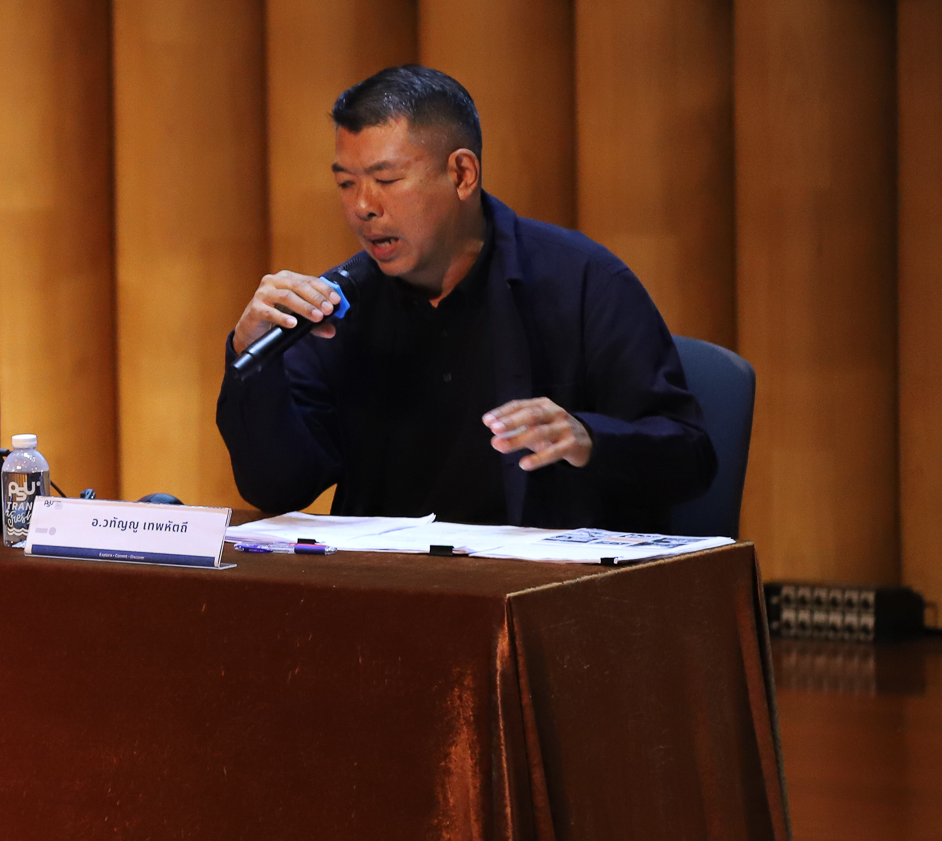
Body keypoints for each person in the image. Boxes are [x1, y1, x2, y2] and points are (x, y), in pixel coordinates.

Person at [216, 64, 712, 531]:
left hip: (542, 582)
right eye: (346, 183)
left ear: (461, 174)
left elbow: (689, 456)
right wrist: (254, 363)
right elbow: (279, 488)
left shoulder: (584, 281)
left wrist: (588, 438)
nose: (362, 206)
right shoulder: (339, 307)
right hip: (384, 582)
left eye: (386, 180)